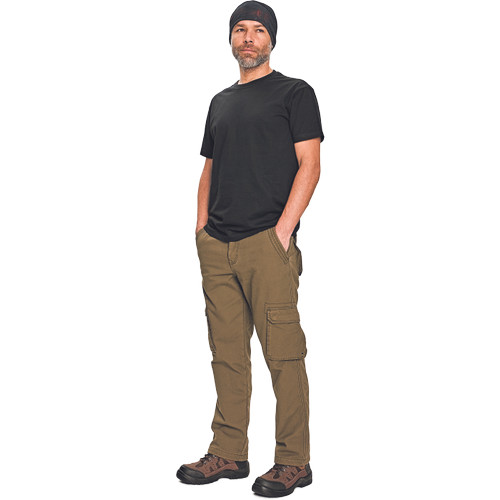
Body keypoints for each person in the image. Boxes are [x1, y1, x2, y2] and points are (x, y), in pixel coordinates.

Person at [176, 1, 324, 496]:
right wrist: (202, 229)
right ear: (231, 39)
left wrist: (282, 232)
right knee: (226, 354)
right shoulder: (220, 102)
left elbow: (310, 165)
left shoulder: (295, 93)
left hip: (266, 243)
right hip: (217, 245)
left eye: (258, 30)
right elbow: (209, 168)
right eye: (240, 29)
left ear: (271, 40)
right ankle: (229, 451)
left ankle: (294, 461)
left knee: (284, 355)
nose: (248, 37)